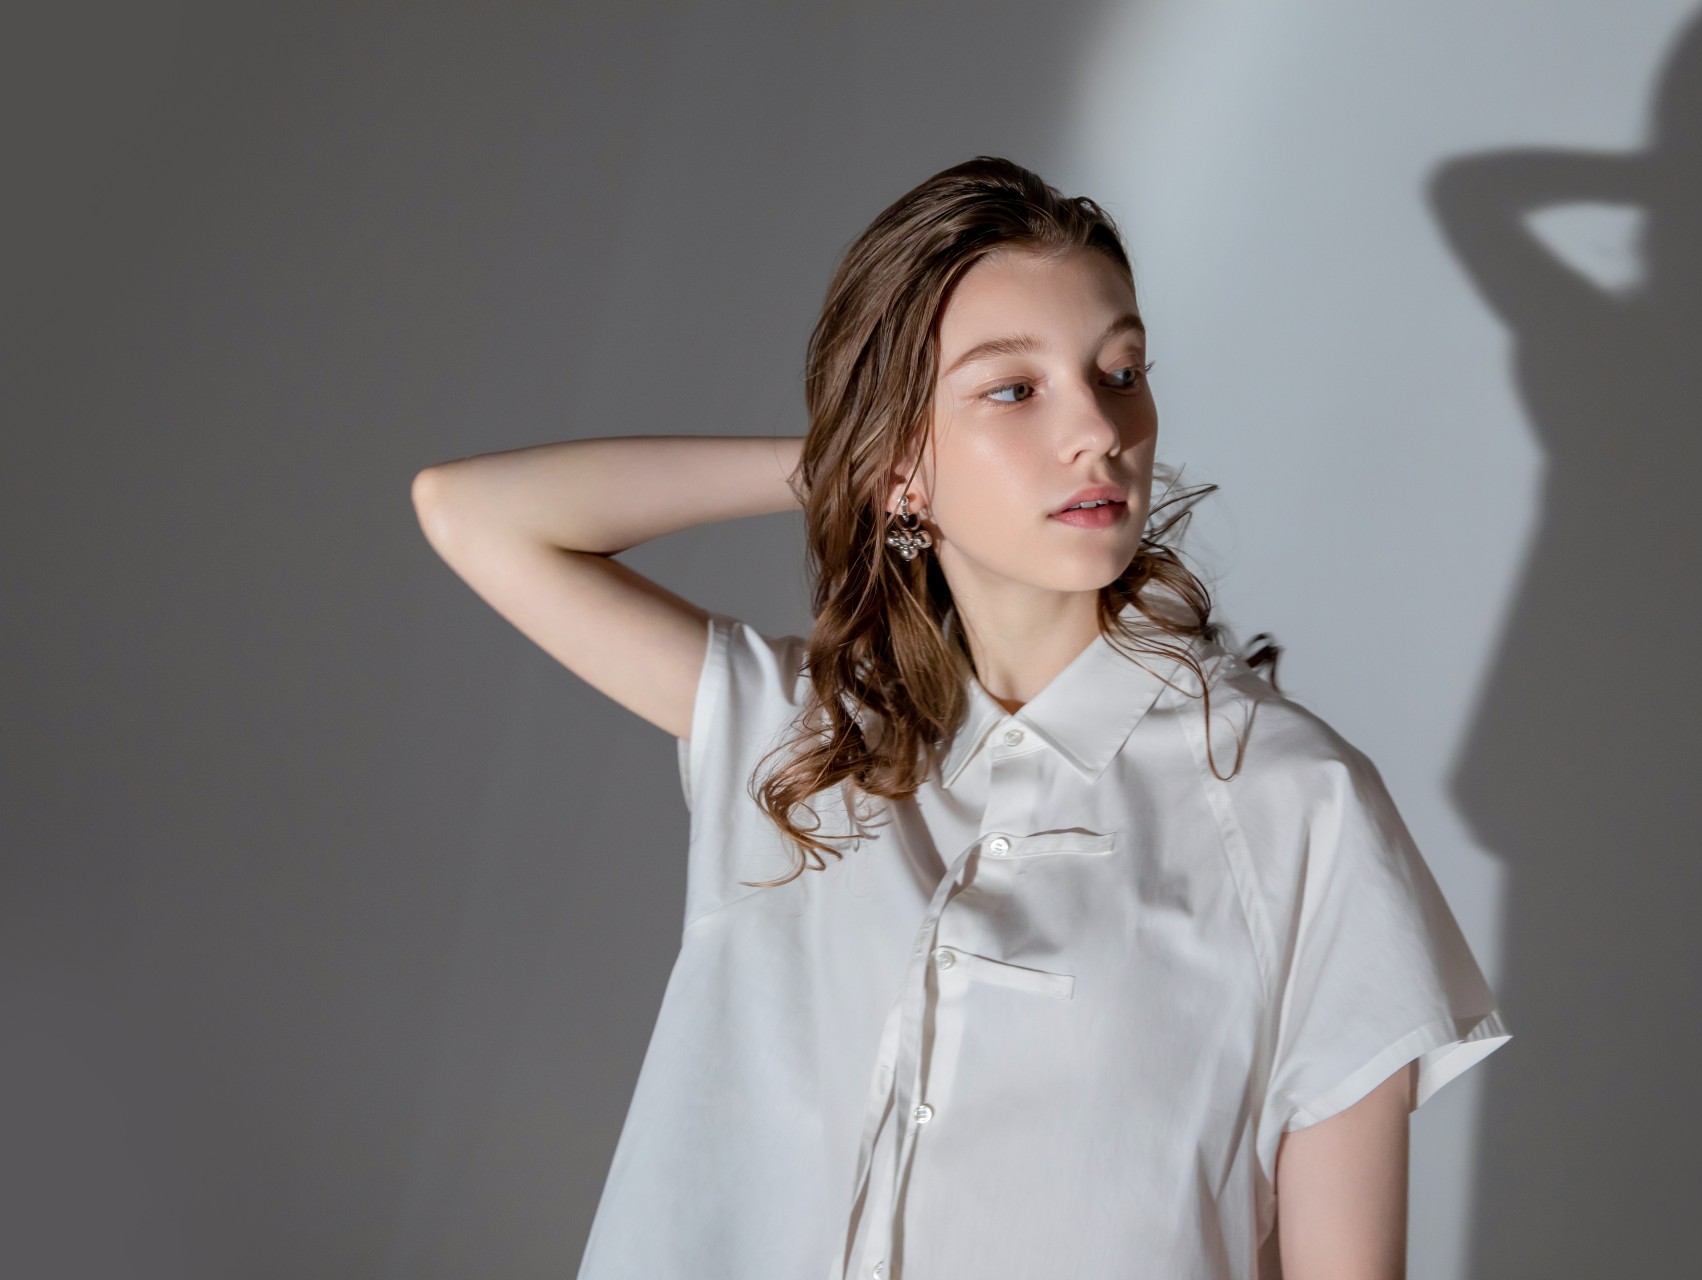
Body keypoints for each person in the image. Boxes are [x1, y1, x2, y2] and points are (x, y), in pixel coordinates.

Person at [411, 155, 1510, 1280]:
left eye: (1121, 371)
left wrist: (928, 456)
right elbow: (472, 513)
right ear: (900, 452)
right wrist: (864, 465)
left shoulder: (1290, 800)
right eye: (1013, 390)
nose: (1098, 430)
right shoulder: (804, 741)